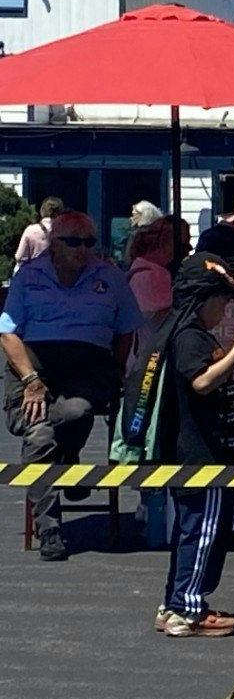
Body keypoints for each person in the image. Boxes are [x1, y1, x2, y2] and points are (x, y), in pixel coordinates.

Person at [1, 211, 141, 560]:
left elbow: (126, 328)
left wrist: (118, 365)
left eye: (88, 242)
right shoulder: (28, 276)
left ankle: (65, 457)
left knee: (75, 412)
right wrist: (30, 379)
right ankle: (50, 528)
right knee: (39, 435)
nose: (82, 249)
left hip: (88, 366)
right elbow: (7, 332)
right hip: (33, 364)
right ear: (53, 245)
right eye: (73, 242)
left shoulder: (109, 276)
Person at [151, 258, 234, 637]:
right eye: (222, 301)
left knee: (192, 530)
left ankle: (175, 603)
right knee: (204, 532)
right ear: (203, 299)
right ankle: (188, 610)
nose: (225, 310)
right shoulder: (190, 336)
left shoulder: (183, 332)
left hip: (199, 455)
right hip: (202, 456)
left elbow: (213, 384)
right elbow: (202, 382)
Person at [122, 216, 180, 549]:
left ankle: (149, 501)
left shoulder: (139, 271)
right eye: (181, 242)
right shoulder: (151, 275)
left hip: (143, 362)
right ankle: (150, 502)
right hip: (151, 366)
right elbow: (157, 315)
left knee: (147, 435)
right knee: (150, 436)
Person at [14, 197, 65, 267]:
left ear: (42, 211)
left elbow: (20, 258)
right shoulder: (67, 231)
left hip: (35, 271)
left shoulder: (31, 230)